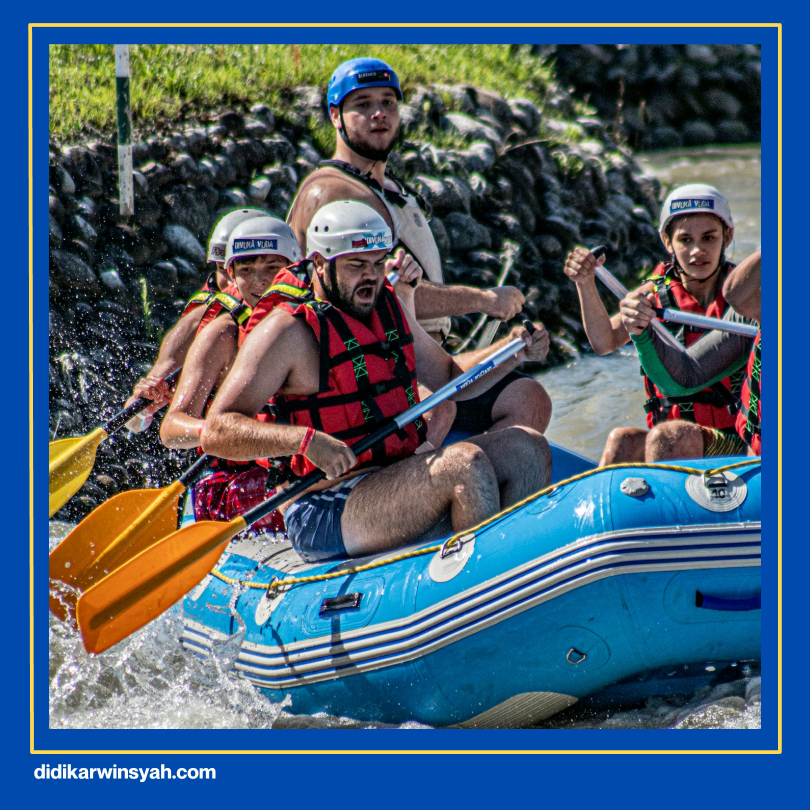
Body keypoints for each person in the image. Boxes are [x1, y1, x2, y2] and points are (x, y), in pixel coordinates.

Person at [202, 201, 551, 561]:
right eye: (356, 265)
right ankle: (486, 582)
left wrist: (512, 351)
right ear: (320, 264)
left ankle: (519, 568)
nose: (370, 276)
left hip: (395, 475)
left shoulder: (386, 306)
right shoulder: (286, 331)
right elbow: (218, 431)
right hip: (324, 506)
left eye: (377, 263)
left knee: (527, 449)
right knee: (463, 464)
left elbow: (449, 378)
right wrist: (305, 442)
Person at [286, 57, 552, 437]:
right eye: (362, 104)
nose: (379, 114)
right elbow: (377, 291)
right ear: (335, 116)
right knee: (452, 409)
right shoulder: (335, 193)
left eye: (388, 103)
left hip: (425, 354)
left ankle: (493, 480)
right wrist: (483, 300)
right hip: (378, 366)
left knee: (528, 397)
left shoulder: (386, 185)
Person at [564, 183, 751, 464]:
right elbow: (603, 342)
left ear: (728, 237)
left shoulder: (747, 295)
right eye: (685, 240)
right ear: (667, 242)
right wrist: (585, 283)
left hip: (737, 443)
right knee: (622, 440)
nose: (697, 251)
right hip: (672, 437)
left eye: (709, 238)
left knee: (671, 436)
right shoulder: (653, 293)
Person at [159, 216, 301, 529]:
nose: (260, 281)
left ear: (295, 267)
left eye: (272, 268)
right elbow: (170, 428)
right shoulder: (222, 334)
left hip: (294, 466)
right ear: (232, 276)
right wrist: (223, 433)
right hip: (229, 484)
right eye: (246, 270)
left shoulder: (310, 318)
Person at [124, 207, 273, 432]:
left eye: (266, 269)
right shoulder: (198, 323)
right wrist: (143, 407)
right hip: (223, 448)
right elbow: (133, 422)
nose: (238, 283)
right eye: (225, 270)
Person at [621, 248, 761, 457]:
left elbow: (734, 293)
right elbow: (685, 378)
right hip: (752, 457)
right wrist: (641, 331)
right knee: (659, 438)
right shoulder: (763, 304)